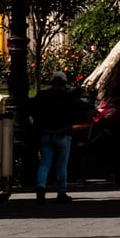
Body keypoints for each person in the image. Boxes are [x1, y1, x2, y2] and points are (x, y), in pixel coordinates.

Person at [33, 70, 83, 202]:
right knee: (61, 165)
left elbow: (34, 112)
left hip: (45, 133)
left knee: (45, 163)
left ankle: (41, 185)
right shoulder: (67, 98)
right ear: (64, 83)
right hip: (63, 134)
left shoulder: (42, 96)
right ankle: (61, 193)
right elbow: (75, 114)